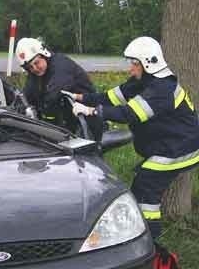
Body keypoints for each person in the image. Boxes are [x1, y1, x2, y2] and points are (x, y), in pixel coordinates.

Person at [68, 37, 199, 248]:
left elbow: (129, 114)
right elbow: (110, 97)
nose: (131, 68)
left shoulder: (162, 89)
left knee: (146, 188)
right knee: (142, 184)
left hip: (181, 147)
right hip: (170, 142)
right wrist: (80, 98)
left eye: (134, 63)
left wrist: (92, 111)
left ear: (148, 63)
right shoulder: (141, 81)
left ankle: (150, 243)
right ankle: (140, 235)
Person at [15, 37, 103, 141]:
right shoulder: (36, 74)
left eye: (36, 63)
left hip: (87, 118)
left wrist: (41, 126)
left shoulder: (61, 65)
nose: (35, 69)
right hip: (67, 116)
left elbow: (52, 96)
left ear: (44, 54)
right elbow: (27, 96)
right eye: (30, 67)